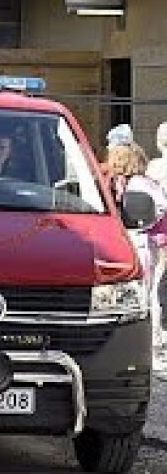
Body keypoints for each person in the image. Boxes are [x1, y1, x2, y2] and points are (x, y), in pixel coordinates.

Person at [106, 141, 167, 373]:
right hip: (136, 242)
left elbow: (160, 206)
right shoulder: (123, 183)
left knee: (145, 292)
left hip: (140, 242)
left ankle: (150, 343)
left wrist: (143, 225)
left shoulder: (137, 184)